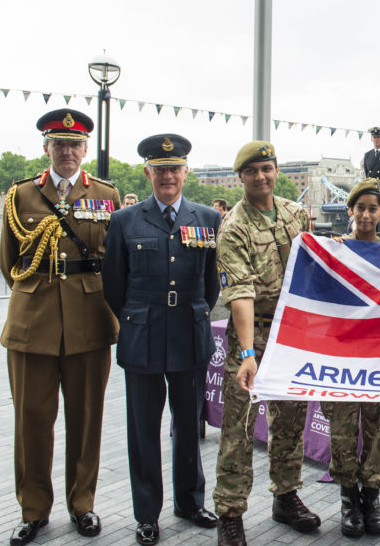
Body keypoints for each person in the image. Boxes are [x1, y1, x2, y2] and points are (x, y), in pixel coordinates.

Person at [0, 108, 120, 545]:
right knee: (31, 421)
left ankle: (82, 504)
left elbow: (115, 259)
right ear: (46, 147)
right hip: (33, 322)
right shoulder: (21, 195)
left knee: (86, 420)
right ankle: (33, 510)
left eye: (74, 145)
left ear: (85, 149)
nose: (66, 151)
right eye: (58, 144)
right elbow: (9, 262)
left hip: (89, 321)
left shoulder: (106, 193)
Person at [102, 134, 221, 545]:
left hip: (189, 334)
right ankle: (147, 514)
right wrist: (135, 318)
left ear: (186, 172)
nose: (168, 175)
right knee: (143, 430)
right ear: (147, 172)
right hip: (143, 335)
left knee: (189, 425)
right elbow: (113, 285)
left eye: (175, 168)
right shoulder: (124, 220)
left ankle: (190, 501)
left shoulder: (207, 219)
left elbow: (211, 284)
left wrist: (193, 310)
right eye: (160, 168)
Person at [213, 140, 316, 546]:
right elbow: (239, 293)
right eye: (253, 171)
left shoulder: (296, 214)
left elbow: (315, 267)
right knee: (237, 428)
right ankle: (230, 513)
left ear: (276, 171)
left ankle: (286, 497)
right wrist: (247, 353)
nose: (262, 177)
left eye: (267, 169)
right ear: (241, 177)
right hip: (250, 335)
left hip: (289, 333)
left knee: (290, 419)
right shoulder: (234, 225)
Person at [322, 178, 380, 537]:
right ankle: (348, 497)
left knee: (377, 429)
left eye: (374, 208)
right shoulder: (334, 251)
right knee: (341, 429)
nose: (366, 214)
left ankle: (372, 495)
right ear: (349, 210)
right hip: (342, 359)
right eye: (360, 207)